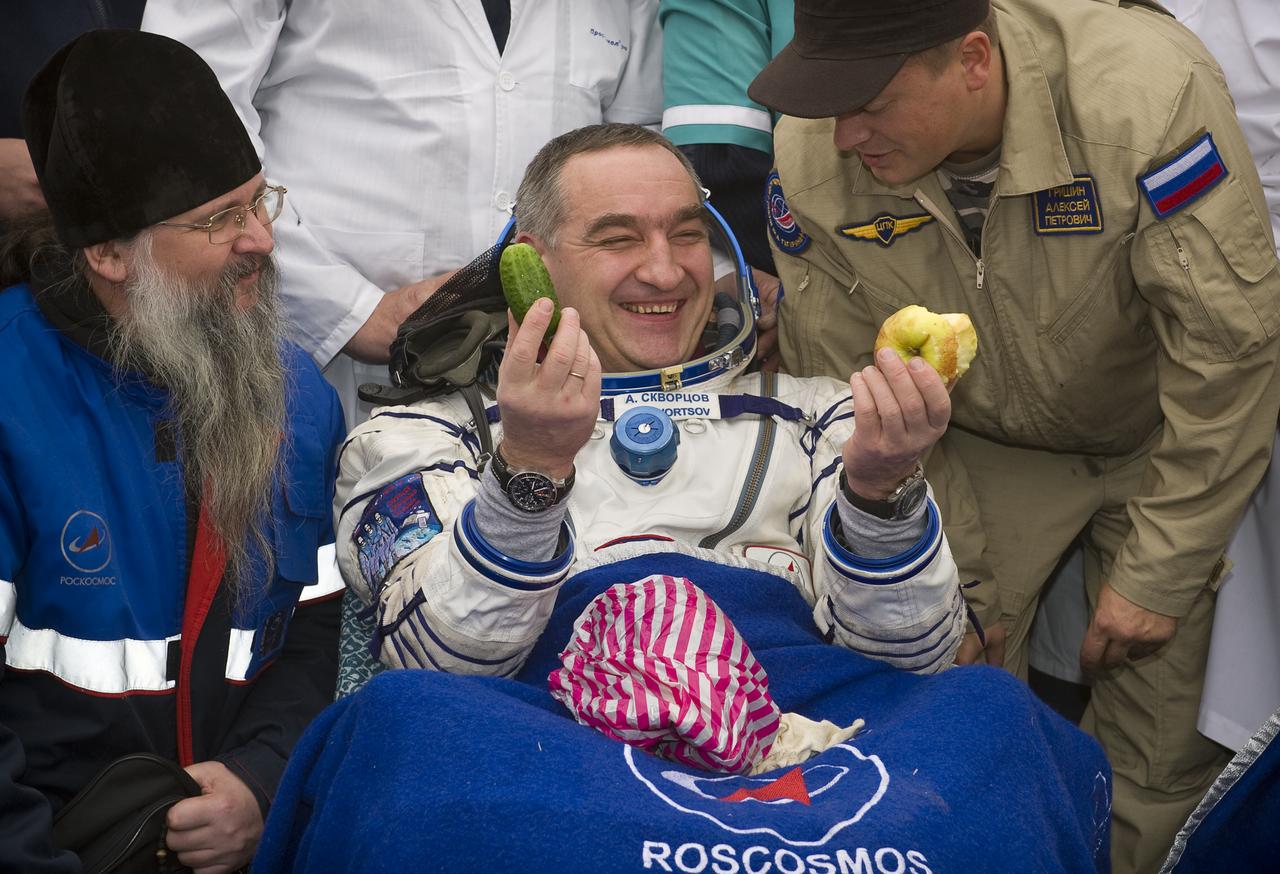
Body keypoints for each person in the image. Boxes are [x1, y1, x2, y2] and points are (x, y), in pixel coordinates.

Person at [252, 123, 1111, 873]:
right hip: (554, 744)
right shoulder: (417, 437)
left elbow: (910, 662)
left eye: (687, 233)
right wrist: (528, 472)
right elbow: (440, 670)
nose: (663, 270)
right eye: (619, 238)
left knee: (992, 706)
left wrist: (881, 492)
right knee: (405, 723)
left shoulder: (820, 414)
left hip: (804, 740)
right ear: (533, 265)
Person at [747, 0, 1280, 870]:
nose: (845, 134)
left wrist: (1159, 569)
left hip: (1161, 435)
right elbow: (856, 406)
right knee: (952, 714)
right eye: (827, 98)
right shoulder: (809, 160)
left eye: (871, 102)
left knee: (1157, 748)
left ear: (972, 59)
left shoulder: (1145, 95)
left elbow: (1229, 353)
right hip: (970, 443)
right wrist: (952, 593)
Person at [0, 30, 345, 872]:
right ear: (110, 254)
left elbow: (314, 630)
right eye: (219, 219)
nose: (260, 240)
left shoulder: (296, 392)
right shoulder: (13, 396)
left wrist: (259, 781)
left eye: (260, 202)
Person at [142, 0, 663, 429]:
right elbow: (178, 106)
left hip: (554, 376)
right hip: (311, 364)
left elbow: (641, 147)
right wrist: (349, 312)